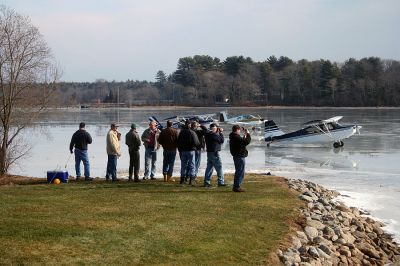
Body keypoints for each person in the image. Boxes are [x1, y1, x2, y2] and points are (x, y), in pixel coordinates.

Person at [229, 125, 251, 192]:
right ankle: (237, 187)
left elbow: (241, 142)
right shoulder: (236, 137)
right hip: (239, 156)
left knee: (239, 171)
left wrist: (245, 135)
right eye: (239, 130)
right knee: (240, 171)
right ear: (237, 130)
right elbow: (246, 142)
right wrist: (248, 134)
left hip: (237, 156)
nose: (240, 132)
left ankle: (236, 186)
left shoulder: (233, 136)